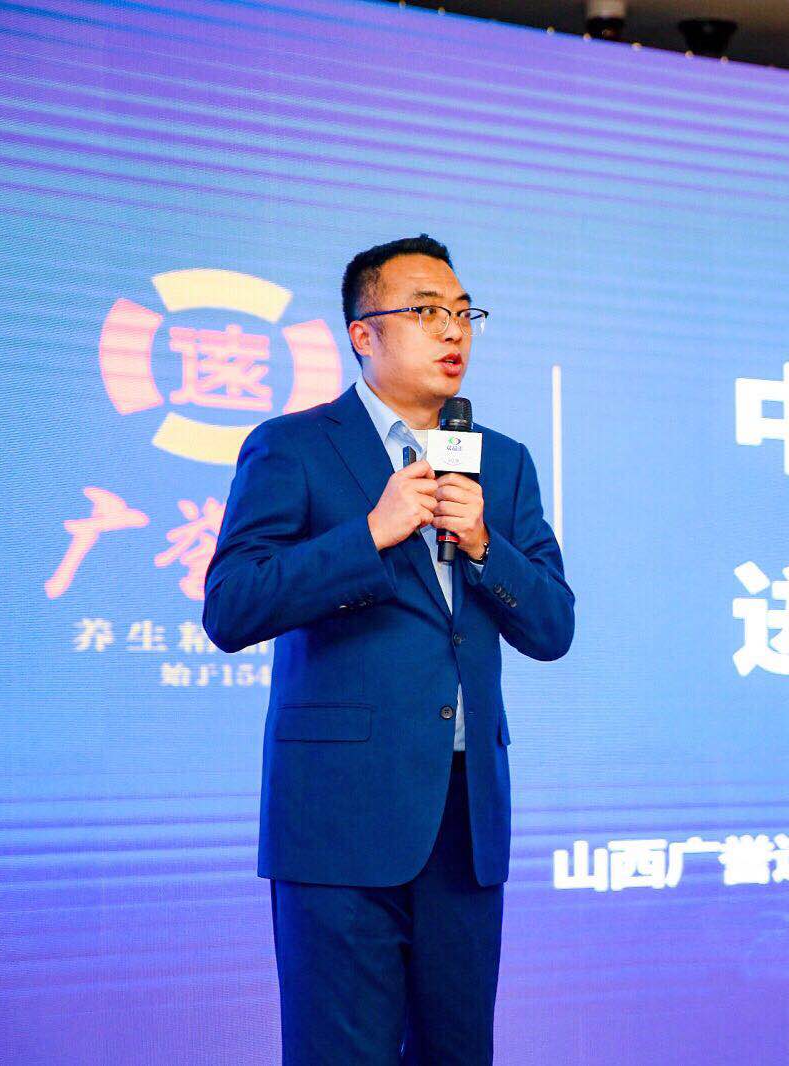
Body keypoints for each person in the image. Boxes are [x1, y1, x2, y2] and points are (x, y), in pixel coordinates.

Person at [202, 234, 574, 1064]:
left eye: (464, 313)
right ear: (363, 334)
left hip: (465, 821)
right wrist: (369, 534)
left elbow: (553, 627)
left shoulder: (503, 464)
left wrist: (485, 546)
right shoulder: (294, 446)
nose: (454, 330)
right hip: (339, 823)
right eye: (427, 311)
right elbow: (231, 605)